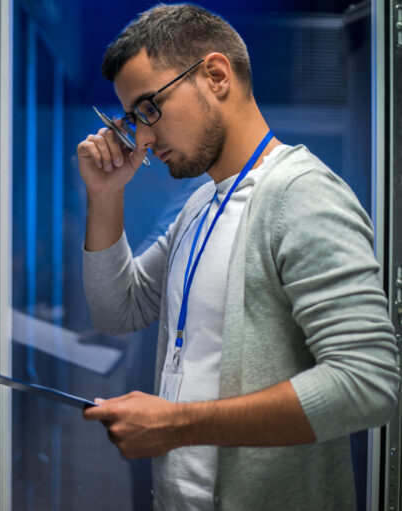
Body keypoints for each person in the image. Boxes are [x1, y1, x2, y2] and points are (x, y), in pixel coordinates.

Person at [78, 4, 399, 510]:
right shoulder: (201, 204)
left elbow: (367, 383)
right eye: (130, 118)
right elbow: (119, 310)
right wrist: (105, 195)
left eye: (148, 108)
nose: (140, 136)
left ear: (215, 75)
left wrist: (177, 424)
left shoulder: (301, 195)